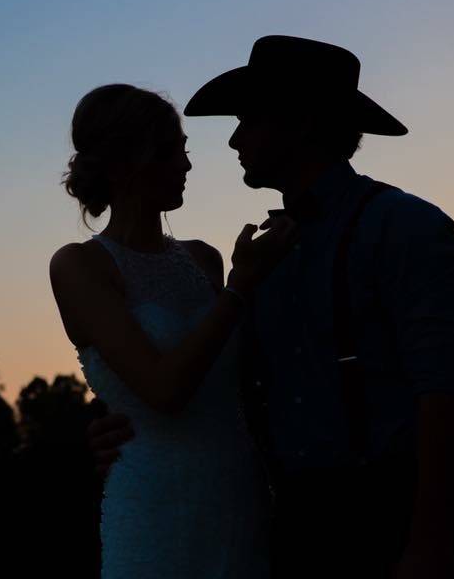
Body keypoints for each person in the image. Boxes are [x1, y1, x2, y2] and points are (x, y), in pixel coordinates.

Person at [88, 36, 454, 579]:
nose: (232, 139)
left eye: (249, 119)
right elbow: (231, 384)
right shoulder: (260, 255)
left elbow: (445, 392)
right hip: (285, 527)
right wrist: (117, 425)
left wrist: (430, 543)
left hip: (387, 514)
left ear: (300, 124)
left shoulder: (406, 226)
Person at [49, 83, 298, 578]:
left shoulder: (203, 258)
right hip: (154, 511)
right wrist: (239, 289)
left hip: (239, 502)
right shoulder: (80, 266)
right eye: (171, 153)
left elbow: (245, 383)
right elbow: (164, 390)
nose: (186, 166)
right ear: (128, 161)